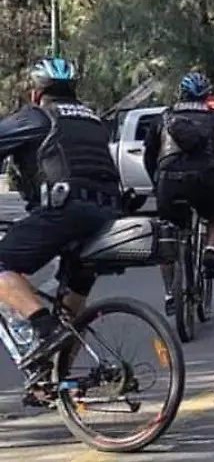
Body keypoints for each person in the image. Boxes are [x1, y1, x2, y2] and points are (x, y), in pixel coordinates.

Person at [0, 57, 123, 370]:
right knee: (76, 280)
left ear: (36, 93)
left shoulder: (37, 117)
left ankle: (45, 328)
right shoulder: (93, 119)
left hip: (66, 209)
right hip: (108, 213)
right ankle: (58, 374)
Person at [142, 72, 214, 314]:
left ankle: (169, 294)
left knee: (167, 238)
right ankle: (209, 250)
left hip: (169, 181)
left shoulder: (164, 117)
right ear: (206, 96)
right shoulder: (213, 118)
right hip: (206, 181)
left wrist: (156, 182)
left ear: (180, 93)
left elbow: (148, 155)